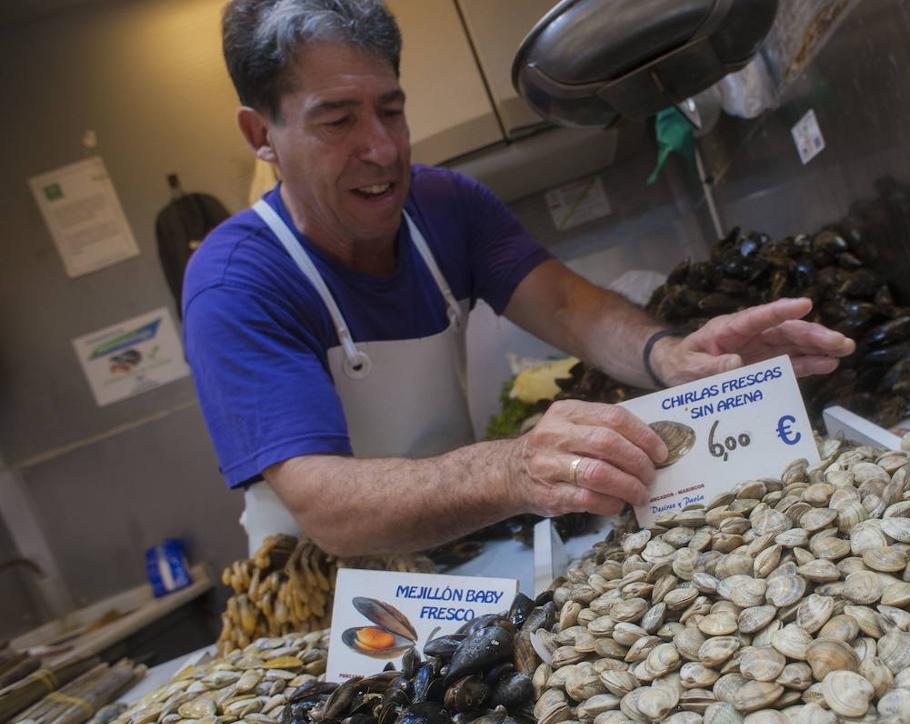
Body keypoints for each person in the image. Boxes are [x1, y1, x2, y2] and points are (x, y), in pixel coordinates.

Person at [184, 0, 854, 557]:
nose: (383, 149)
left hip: (455, 536)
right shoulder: (235, 283)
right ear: (261, 133)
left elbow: (566, 307)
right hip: (321, 587)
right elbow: (323, 504)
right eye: (337, 120)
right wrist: (510, 467)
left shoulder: (447, 206)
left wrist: (671, 356)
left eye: (390, 110)